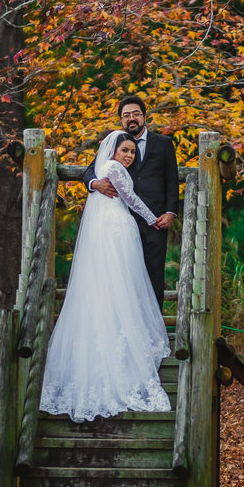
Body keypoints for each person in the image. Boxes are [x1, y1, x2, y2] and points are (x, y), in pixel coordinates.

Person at [40, 131, 172, 422]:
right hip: (116, 230)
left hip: (104, 230)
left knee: (109, 285)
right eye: (125, 150)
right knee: (122, 282)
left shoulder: (105, 168)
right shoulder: (113, 169)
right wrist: (153, 220)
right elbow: (132, 198)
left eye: (132, 152)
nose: (129, 156)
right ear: (113, 149)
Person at [82, 95, 180, 306]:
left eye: (136, 114)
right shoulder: (115, 144)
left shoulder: (163, 144)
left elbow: (172, 180)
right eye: (126, 116)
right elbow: (90, 170)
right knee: (125, 275)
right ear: (121, 120)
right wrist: (95, 184)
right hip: (123, 221)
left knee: (154, 274)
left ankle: (154, 328)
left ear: (145, 117)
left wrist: (171, 212)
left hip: (155, 221)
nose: (131, 119)